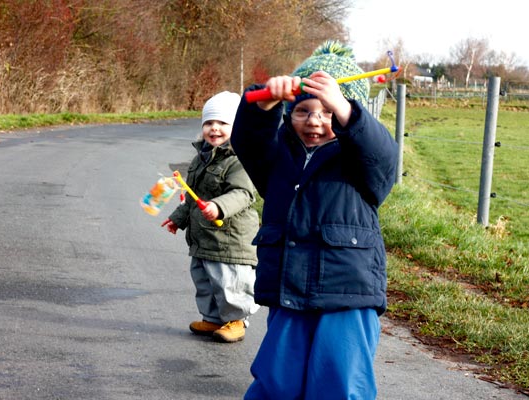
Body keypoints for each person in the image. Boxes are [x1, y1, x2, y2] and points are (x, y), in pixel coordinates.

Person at [230, 41, 399, 399]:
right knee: (277, 382)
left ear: (347, 114)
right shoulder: (278, 156)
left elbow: (382, 157)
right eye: (303, 111)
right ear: (289, 115)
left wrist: (344, 106)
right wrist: (262, 106)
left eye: (328, 112)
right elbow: (248, 141)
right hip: (288, 289)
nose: (315, 121)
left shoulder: (358, 159)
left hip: (347, 293)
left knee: (339, 383)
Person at [161, 91, 260, 343]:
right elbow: (194, 195)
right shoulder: (200, 158)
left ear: (236, 128)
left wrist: (218, 206)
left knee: (230, 282)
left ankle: (236, 320)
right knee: (205, 279)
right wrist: (178, 219)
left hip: (230, 239)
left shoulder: (241, 159)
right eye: (208, 123)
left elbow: (243, 193)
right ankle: (213, 318)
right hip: (203, 238)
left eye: (222, 123)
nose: (214, 128)